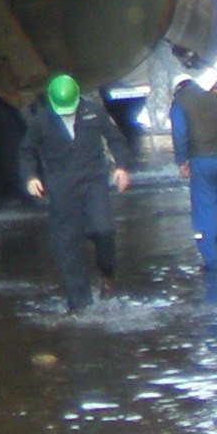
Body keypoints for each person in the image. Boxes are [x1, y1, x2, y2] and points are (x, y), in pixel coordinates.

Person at [20, 73, 132, 311]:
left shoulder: (93, 111)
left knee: (103, 230)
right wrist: (30, 177)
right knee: (68, 245)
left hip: (93, 182)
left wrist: (121, 167)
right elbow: (26, 151)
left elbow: (116, 139)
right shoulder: (42, 120)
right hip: (62, 188)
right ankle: (79, 304)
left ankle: (107, 273)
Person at [168, 75, 217, 272]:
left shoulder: (179, 104)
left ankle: (213, 261)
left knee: (204, 211)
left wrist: (182, 161)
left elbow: (179, 133)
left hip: (200, 161)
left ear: (176, 89)